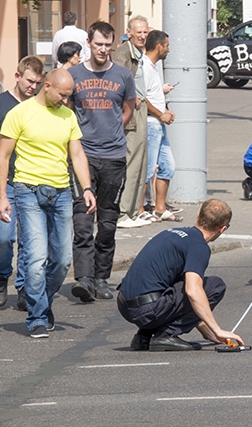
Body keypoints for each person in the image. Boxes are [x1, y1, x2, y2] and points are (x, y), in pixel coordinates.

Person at [0, 69, 96, 339]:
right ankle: (38, 316)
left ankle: (42, 300)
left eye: (69, 96)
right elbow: (3, 156)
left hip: (62, 192)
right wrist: (2, 196)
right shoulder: (19, 113)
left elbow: (76, 153)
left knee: (63, 259)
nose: (65, 101)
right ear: (47, 86)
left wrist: (87, 188)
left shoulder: (68, 115)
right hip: (27, 191)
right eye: (62, 95)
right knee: (36, 257)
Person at [67, 21, 136, 302]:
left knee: (107, 223)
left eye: (108, 45)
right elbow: (68, 110)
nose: (103, 49)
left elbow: (128, 108)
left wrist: (111, 131)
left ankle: (101, 278)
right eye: (98, 44)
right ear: (88, 42)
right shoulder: (73, 75)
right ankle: (83, 279)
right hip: (83, 156)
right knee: (83, 221)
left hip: (114, 157)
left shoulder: (123, 75)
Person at [117, 199, 244, 351]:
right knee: (214, 286)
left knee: (175, 282)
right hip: (146, 310)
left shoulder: (170, 232)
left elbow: (180, 296)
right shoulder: (198, 246)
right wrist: (217, 330)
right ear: (222, 229)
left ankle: (143, 336)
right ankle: (165, 336)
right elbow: (193, 292)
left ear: (198, 216)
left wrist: (206, 331)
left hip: (124, 304)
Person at [0, 56, 45, 310]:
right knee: (4, 238)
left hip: (31, 183)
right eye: (30, 81)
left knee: (30, 240)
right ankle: (2, 275)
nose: (33, 87)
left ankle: (25, 287)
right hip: (5, 183)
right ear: (18, 77)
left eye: (38, 83)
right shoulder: (2, 104)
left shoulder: (40, 107)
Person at [113, 16, 154, 228]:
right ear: (129, 33)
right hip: (131, 112)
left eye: (145, 32)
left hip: (140, 109)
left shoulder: (138, 52)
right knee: (132, 163)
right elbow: (116, 79)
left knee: (141, 163)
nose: (142, 36)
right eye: (138, 32)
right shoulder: (123, 52)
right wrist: (130, 96)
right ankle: (122, 213)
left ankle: (131, 212)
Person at [143, 30, 181, 222]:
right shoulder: (144, 66)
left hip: (159, 123)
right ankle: (139, 209)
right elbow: (141, 99)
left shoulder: (154, 66)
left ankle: (160, 207)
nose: (168, 49)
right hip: (151, 124)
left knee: (168, 165)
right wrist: (160, 114)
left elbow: (154, 95)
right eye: (167, 45)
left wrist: (165, 110)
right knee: (147, 170)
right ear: (159, 47)